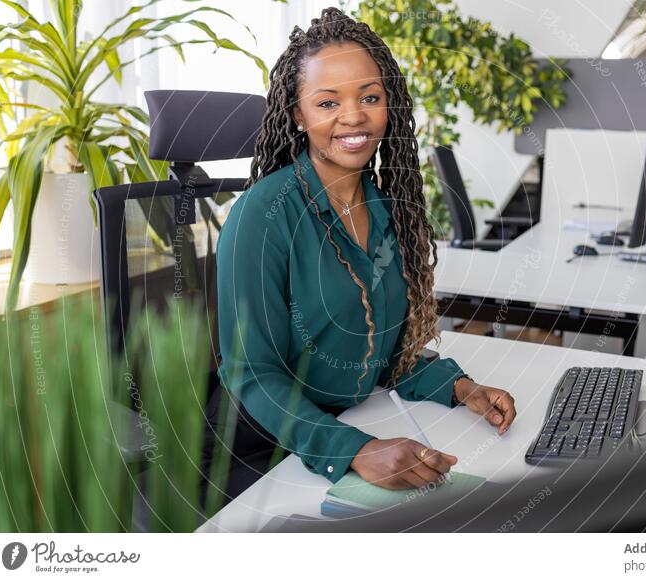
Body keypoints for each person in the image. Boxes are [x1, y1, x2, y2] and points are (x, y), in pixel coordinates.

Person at [201, 7, 516, 507]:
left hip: (353, 421)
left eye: (369, 97)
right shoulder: (262, 215)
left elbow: (379, 353)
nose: (354, 116)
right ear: (297, 115)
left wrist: (459, 388)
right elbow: (252, 375)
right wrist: (356, 450)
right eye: (328, 102)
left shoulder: (384, 207)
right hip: (258, 450)